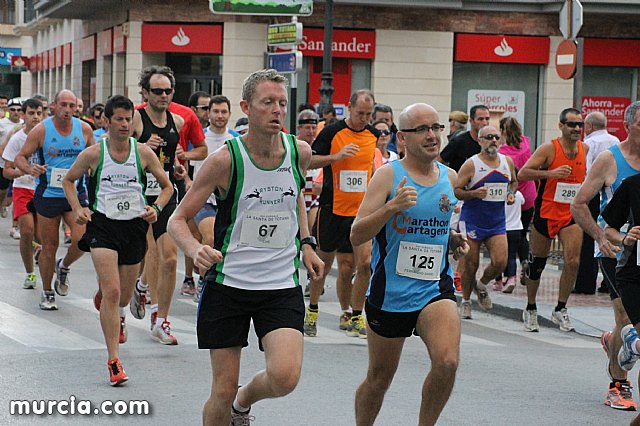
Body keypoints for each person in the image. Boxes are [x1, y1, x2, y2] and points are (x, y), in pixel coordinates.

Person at [168, 69, 323, 426]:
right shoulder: (225, 160)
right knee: (220, 390)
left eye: (282, 103)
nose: (277, 111)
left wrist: (307, 243)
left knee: (285, 377)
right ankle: (230, 402)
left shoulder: (298, 152)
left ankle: (244, 401)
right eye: (267, 102)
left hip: (280, 286)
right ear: (246, 107)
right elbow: (177, 220)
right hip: (228, 286)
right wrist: (194, 250)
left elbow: (295, 194)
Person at [351, 102, 469, 426]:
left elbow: (436, 225)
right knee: (379, 380)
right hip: (391, 292)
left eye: (436, 128)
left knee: (447, 362)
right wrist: (391, 208)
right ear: (402, 137)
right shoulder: (388, 176)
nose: (432, 136)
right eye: (423, 130)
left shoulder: (450, 177)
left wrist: (452, 239)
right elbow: (357, 233)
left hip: (434, 288)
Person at [62, 95, 173, 386]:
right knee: (112, 293)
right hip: (103, 227)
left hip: (133, 228)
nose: (124, 124)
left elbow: (167, 187)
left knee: (122, 297)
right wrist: (78, 209)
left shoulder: (143, 154)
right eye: (119, 119)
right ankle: (114, 360)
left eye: (128, 119)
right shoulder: (94, 154)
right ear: (107, 121)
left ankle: (115, 299)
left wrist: (156, 208)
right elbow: (68, 180)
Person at [571, 101, 640, 411]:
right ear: (628, 125)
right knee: (626, 315)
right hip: (616, 249)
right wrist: (600, 236)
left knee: (629, 329)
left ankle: (614, 339)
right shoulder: (609, 160)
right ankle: (618, 383)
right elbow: (580, 203)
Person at [129, 65, 198, 345]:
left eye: (168, 90)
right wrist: (142, 143)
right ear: (145, 92)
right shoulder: (135, 118)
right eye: (157, 91)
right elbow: (119, 151)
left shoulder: (178, 122)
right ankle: (134, 292)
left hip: (166, 195)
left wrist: (181, 169)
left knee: (169, 257)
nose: (164, 95)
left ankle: (160, 320)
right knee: (146, 255)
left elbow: (172, 160)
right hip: (136, 196)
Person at [305, 89, 379, 338]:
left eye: (369, 114)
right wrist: (336, 157)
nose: (364, 118)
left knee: (362, 264)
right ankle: (312, 311)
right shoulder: (331, 132)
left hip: (361, 214)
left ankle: (356, 315)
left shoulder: (374, 135)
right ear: (349, 107)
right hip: (332, 210)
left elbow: (373, 167)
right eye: (360, 113)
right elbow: (309, 161)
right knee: (322, 265)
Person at [15, 89, 95, 310]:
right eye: (64, 105)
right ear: (54, 106)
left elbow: (97, 155)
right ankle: (47, 291)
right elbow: (19, 157)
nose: (68, 110)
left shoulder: (85, 129)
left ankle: (64, 266)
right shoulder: (42, 130)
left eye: (72, 106)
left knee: (84, 239)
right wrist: (30, 168)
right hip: (49, 194)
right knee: (50, 245)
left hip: (75, 195)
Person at [518, 107, 588, 332]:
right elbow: (523, 173)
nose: (577, 129)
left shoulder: (584, 149)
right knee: (537, 264)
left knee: (573, 260)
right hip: (546, 212)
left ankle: (560, 308)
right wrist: (550, 174)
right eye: (572, 124)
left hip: (571, 213)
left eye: (580, 125)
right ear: (561, 126)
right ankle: (530, 307)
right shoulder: (549, 148)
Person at [454, 125, 517, 319]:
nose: (493, 141)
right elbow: (456, 189)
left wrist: (510, 194)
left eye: (497, 137)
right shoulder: (472, 164)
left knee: (500, 262)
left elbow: (514, 182)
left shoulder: (507, 161)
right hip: (472, 221)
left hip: (496, 222)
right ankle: (465, 301)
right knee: (470, 264)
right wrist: (473, 193)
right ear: (480, 140)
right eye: (488, 137)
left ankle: (481, 286)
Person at [190, 94, 239, 303]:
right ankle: (203, 282)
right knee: (209, 238)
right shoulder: (198, 139)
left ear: (229, 114)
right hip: (204, 200)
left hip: (228, 201)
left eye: (224, 112)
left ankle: (225, 282)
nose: (220, 115)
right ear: (208, 113)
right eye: (216, 111)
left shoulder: (236, 140)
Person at [602, 167, 640, 426]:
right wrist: (625, 238)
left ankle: (633, 345)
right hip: (634, 274)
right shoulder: (632, 185)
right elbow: (609, 229)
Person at [575, 111, 621, 294]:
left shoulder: (589, 143)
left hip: (595, 192)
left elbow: (585, 170)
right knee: (614, 231)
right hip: (615, 192)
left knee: (590, 238)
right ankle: (608, 282)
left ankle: (586, 282)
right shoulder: (616, 140)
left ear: (589, 126)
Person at [2, 98, 43, 289]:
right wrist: (24, 171)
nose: (35, 117)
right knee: (27, 230)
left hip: (44, 190)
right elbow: (7, 170)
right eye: (31, 113)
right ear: (23, 115)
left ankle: (43, 259)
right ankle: (30, 274)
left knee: (43, 236)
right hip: (22, 188)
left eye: (38, 113)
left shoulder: (48, 136)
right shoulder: (17, 138)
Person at [498, 116, 536, 284]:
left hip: (511, 197)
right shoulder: (526, 144)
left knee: (507, 236)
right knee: (522, 233)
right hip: (528, 196)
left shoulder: (502, 153)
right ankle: (525, 261)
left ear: (502, 131)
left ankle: (508, 275)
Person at [440, 104, 490, 172]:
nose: (484, 123)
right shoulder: (459, 141)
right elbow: (440, 161)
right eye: (480, 119)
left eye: (487, 119)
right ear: (471, 121)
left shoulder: (491, 142)